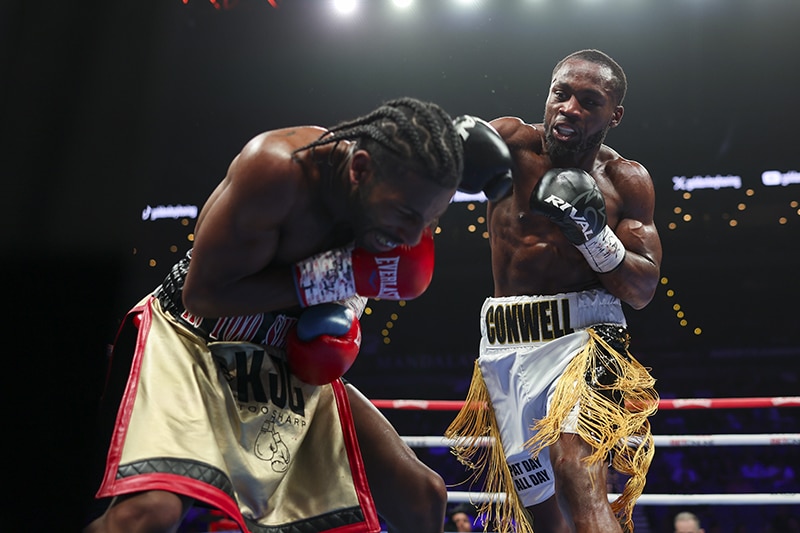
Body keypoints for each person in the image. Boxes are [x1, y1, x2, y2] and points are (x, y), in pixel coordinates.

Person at [83, 97, 470, 533]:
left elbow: (357, 279)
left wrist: (345, 305)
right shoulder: (278, 172)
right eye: (406, 216)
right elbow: (202, 294)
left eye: (428, 220)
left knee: (424, 496)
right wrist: (335, 278)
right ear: (359, 169)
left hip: (283, 361)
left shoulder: (407, 195)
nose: (413, 236)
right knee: (150, 515)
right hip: (194, 342)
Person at [444, 49, 662, 533]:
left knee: (576, 468)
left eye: (589, 101)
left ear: (614, 115)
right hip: (506, 346)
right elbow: (423, 172)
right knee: (542, 511)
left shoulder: (625, 180)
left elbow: (643, 288)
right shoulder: (509, 144)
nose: (569, 109)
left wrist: (594, 236)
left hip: (588, 340)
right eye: (561, 94)